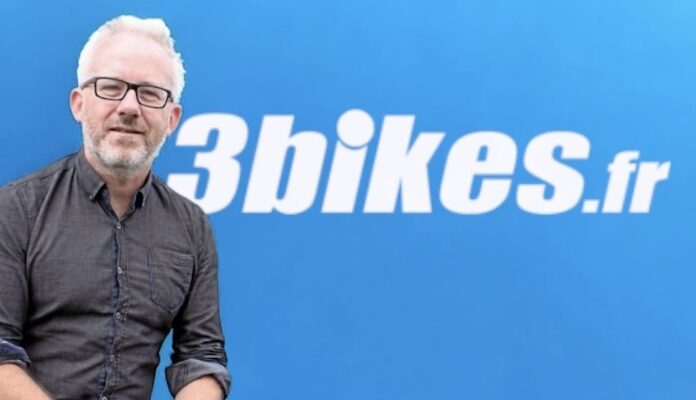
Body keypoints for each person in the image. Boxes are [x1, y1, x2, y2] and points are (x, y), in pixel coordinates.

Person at [0, 15, 230, 399]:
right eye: (111, 87)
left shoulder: (192, 227)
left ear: (172, 118)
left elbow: (202, 357)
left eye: (150, 93)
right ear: (78, 103)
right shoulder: (16, 210)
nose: (129, 107)